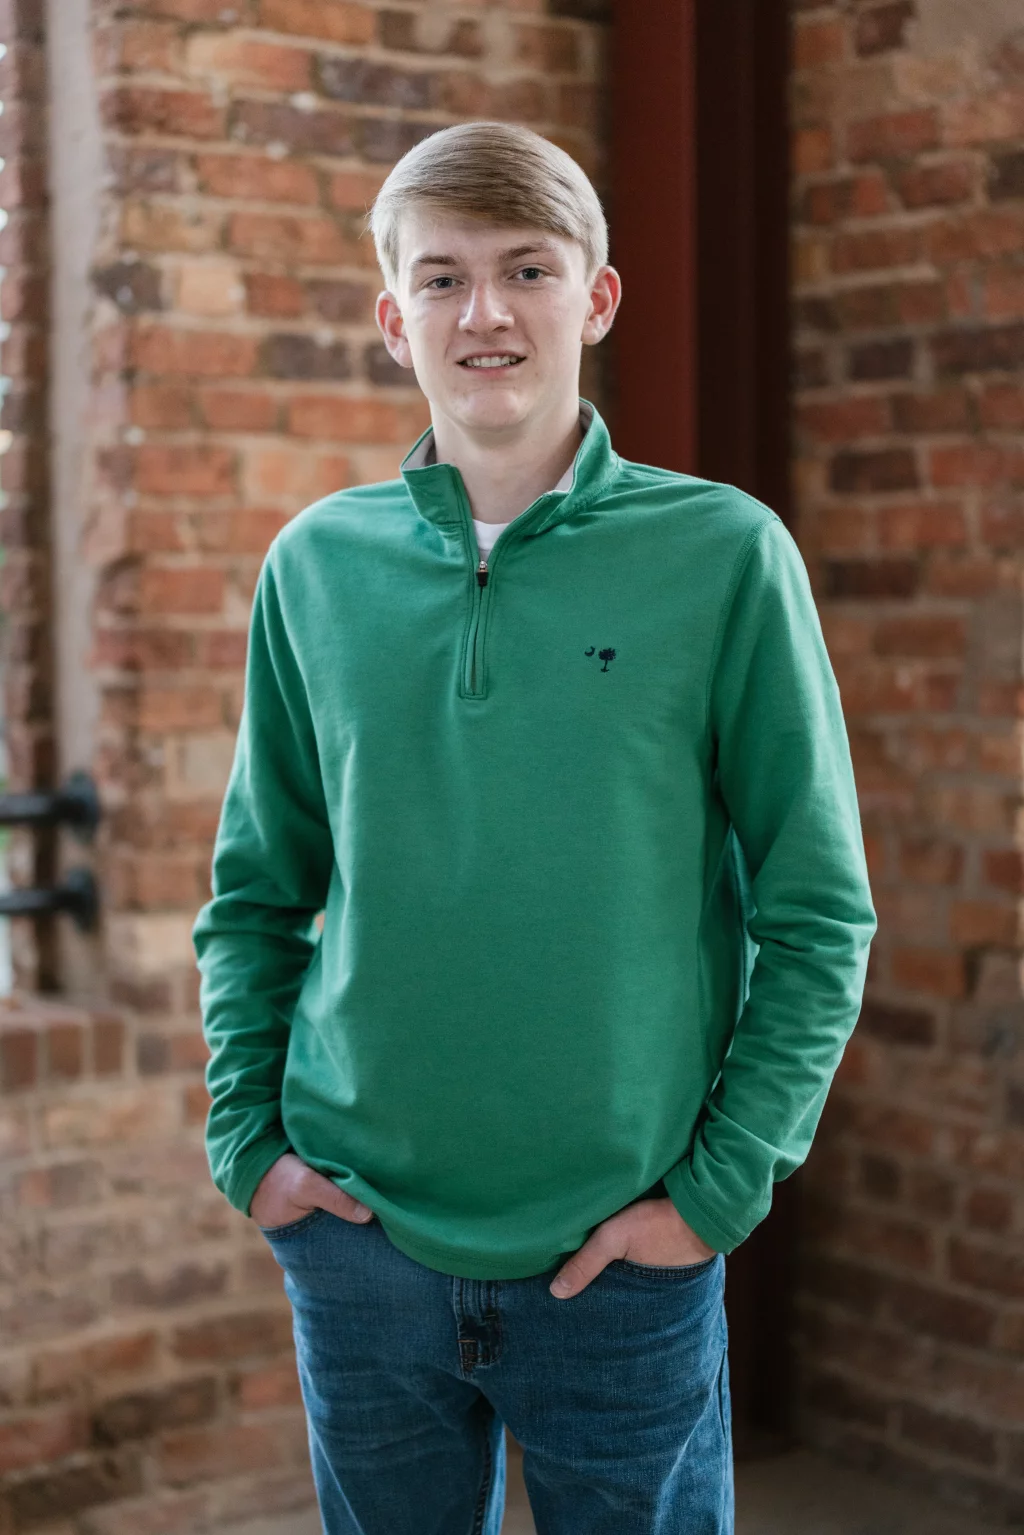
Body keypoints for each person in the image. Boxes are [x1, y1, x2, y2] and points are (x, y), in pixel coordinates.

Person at [192, 119, 877, 1535]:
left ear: (596, 296)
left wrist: (716, 1191)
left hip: (621, 1256)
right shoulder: (314, 567)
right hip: (361, 1249)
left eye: (526, 268)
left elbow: (819, 913)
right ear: (394, 319)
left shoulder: (724, 556)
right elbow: (257, 892)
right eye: (440, 279)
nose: (484, 311)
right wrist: (248, 1142)